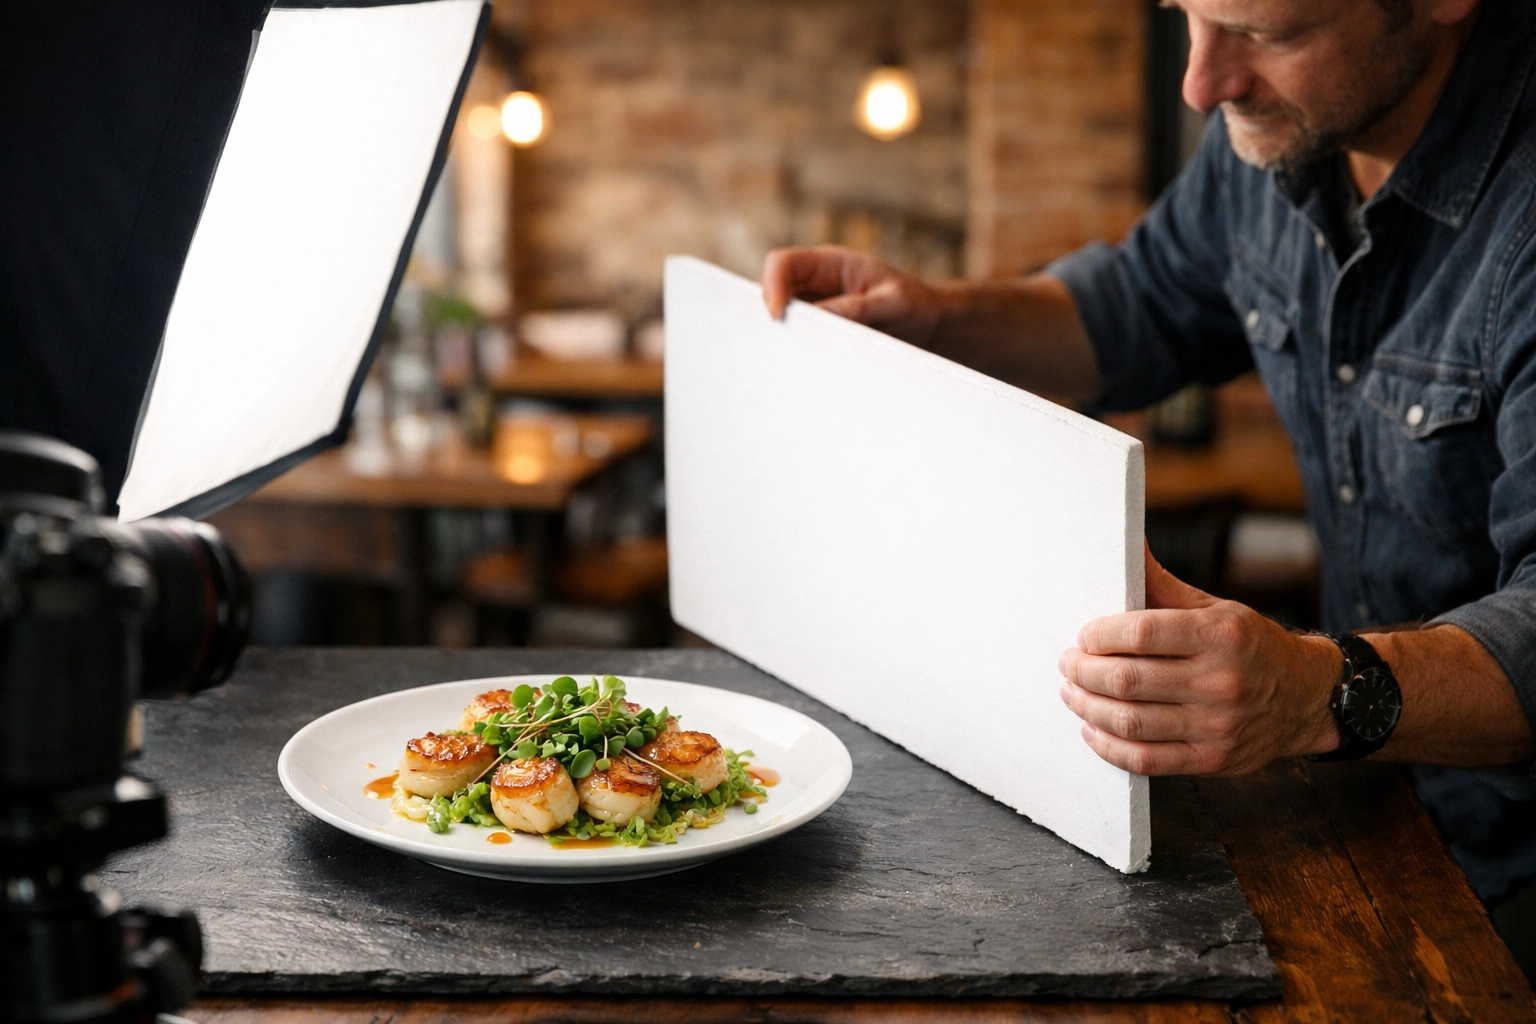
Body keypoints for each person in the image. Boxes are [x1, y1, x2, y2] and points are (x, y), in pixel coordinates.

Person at [760, 0, 1536, 960]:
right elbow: (1134, 304)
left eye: (1266, 35)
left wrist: (1312, 693)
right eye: (1190, 20)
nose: (1203, 83)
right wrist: (937, 319)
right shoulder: (1271, 134)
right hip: (1367, 820)